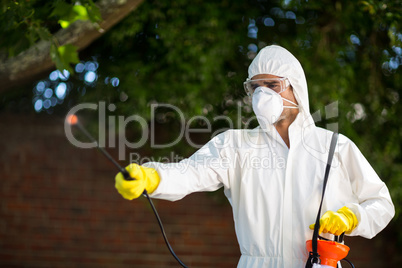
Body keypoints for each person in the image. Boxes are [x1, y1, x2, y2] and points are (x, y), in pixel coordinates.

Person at [114, 45, 395, 267]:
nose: (262, 95)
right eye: (255, 87)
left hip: (320, 264)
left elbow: (382, 204)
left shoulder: (335, 147)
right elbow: (190, 173)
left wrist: (352, 217)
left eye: (272, 85)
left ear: (295, 87)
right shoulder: (236, 145)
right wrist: (152, 176)